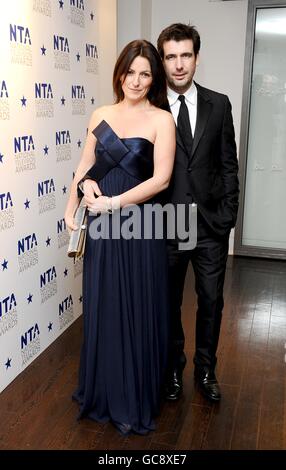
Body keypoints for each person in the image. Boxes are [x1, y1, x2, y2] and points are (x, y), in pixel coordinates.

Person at [64, 39, 176, 435]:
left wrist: (114, 204)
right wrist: (71, 206)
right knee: (104, 303)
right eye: (131, 72)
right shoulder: (101, 113)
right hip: (101, 224)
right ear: (121, 73)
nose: (137, 80)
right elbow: (84, 167)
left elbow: (161, 180)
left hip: (138, 224)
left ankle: (133, 394)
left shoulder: (162, 119)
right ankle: (104, 391)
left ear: (154, 78)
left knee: (138, 302)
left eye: (146, 74)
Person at [156, 23, 239, 402]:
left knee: (211, 301)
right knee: (168, 303)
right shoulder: (152, 107)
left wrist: (227, 217)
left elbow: (228, 165)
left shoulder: (218, 104)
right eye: (170, 56)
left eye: (185, 55)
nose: (178, 65)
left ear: (196, 58)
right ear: (162, 60)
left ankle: (206, 370)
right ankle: (174, 367)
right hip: (167, 226)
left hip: (209, 228)